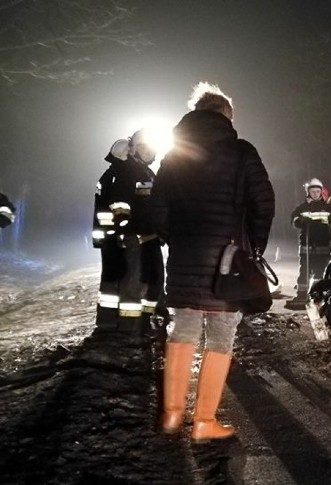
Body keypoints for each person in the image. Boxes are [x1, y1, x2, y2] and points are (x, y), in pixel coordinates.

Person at [150, 82, 275, 442]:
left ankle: (172, 415)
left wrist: (178, 239)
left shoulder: (174, 154)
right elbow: (263, 204)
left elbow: (157, 211)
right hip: (228, 260)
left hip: (185, 257)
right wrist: (253, 248)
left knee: (182, 329)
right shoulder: (242, 151)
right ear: (226, 115)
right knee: (220, 336)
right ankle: (203, 421)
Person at [92, 132, 163, 335]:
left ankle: (129, 324)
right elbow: (120, 203)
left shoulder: (145, 172)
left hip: (144, 236)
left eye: (150, 148)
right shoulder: (127, 172)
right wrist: (123, 228)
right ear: (132, 149)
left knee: (145, 280)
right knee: (133, 283)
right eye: (143, 147)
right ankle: (130, 329)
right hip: (134, 237)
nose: (148, 152)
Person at [285, 178, 331, 308]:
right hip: (306, 246)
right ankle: (302, 295)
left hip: (323, 246)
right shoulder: (302, 207)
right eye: (312, 191)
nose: (315, 194)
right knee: (304, 271)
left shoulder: (329, 208)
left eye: (317, 191)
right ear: (309, 192)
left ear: (321, 192)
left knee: (321, 272)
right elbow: (293, 219)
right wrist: (299, 222)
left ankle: (319, 294)